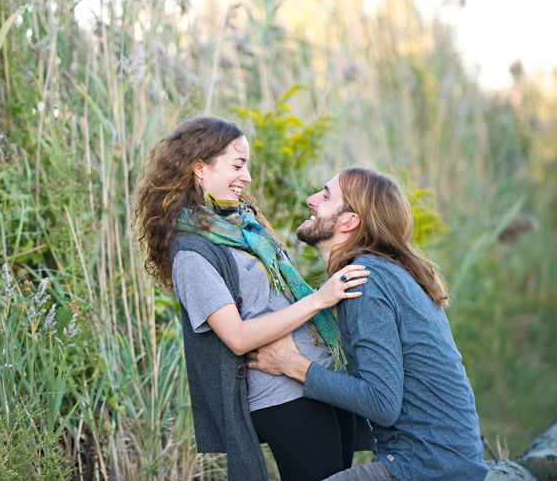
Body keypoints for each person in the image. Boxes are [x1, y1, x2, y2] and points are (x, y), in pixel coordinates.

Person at [134, 116, 372, 481]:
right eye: (237, 165)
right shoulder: (192, 254)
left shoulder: (244, 227)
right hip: (283, 395)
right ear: (200, 167)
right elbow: (238, 336)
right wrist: (319, 299)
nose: (246, 177)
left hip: (319, 379)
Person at [247, 167, 489, 481]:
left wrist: (293, 365)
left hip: (428, 468)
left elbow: (381, 402)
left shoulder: (367, 281)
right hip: (442, 462)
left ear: (349, 221)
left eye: (325, 195)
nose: (311, 200)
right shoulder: (382, 272)